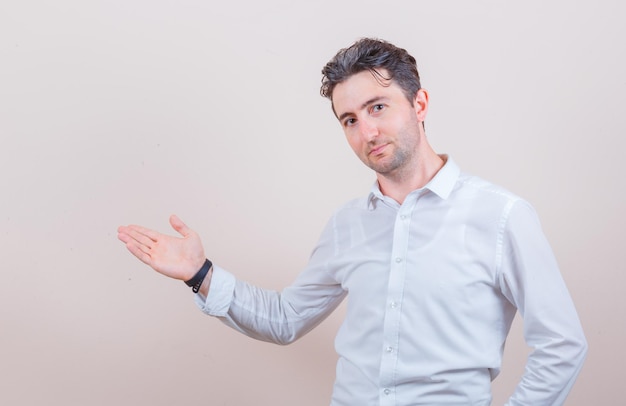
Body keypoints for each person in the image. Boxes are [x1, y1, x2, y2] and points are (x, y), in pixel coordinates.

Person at [118, 38, 587, 405]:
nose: (367, 132)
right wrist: (201, 275)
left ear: (419, 105)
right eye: (349, 119)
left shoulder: (502, 216)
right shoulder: (347, 225)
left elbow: (562, 345)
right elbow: (285, 319)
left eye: (378, 107)